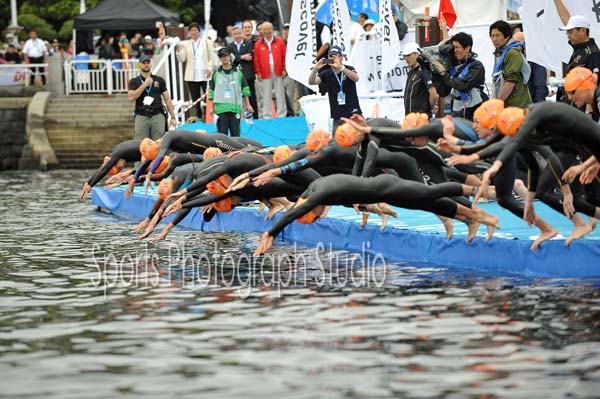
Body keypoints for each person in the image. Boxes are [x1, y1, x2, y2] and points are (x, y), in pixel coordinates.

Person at [253, 173, 501, 255]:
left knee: (429, 193)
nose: (321, 215)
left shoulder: (318, 196)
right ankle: (473, 216)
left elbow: (294, 213)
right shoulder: (314, 191)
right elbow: (299, 206)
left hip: (386, 186)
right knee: (424, 202)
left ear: (313, 208)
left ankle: (485, 192)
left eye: (316, 215)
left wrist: (270, 233)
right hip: (382, 192)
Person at [431, 32, 487, 120]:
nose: (455, 51)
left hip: (476, 110)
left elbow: (462, 85)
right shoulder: (453, 68)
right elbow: (443, 92)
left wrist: (444, 73)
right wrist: (435, 73)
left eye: (457, 47)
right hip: (458, 110)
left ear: (467, 48)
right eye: (453, 48)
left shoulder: (476, 66)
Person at [308, 45, 361, 132]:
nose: (333, 58)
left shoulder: (348, 69)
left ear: (341, 57)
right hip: (337, 116)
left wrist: (341, 67)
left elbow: (356, 78)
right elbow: (311, 82)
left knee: (359, 139)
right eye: (330, 56)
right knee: (337, 142)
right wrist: (315, 69)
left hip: (354, 113)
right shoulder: (327, 73)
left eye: (336, 56)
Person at [128, 55, 177, 140]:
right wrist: (145, 84)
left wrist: (172, 116)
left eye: (148, 62)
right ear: (139, 64)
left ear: (151, 64)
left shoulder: (159, 80)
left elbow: (167, 99)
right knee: (140, 143)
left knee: (159, 142)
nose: (146, 65)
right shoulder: (134, 81)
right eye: (144, 63)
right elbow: (131, 98)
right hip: (141, 115)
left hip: (157, 114)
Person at [209, 47, 253, 137]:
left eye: (226, 55)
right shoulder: (216, 73)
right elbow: (212, 91)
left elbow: (245, 89)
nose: (224, 58)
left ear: (230, 56)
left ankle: (235, 152)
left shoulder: (238, 72)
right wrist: (211, 107)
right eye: (221, 56)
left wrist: (248, 105)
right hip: (221, 109)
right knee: (222, 136)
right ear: (219, 58)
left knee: (235, 135)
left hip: (235, 108)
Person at [176, 22, 215, 121]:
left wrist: (209, 68)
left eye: (195, 30)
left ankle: (208, 117)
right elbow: (182, 59)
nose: (193, 32)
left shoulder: (206, 42)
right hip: (192, 75)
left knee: (208, 97)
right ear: (189, 32)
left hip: (205, 74)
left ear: (199, 31)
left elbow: (212, 57)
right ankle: (197, 117)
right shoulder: (187, 44)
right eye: (192, 30)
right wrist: (178, 51)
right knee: (195, 98)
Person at [489, 20, 531, 108]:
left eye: (497, 35)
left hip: (517, 105)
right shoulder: (500, 52)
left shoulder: (513, 53)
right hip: (507, 105)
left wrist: (498, 103)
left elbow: (511, 81)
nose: (494, 39)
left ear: (507, 36)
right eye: (492, 36)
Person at [253, 21, 287, 119]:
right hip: (265, 71)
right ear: (262, 31)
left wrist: (284, 68)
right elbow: (256, 60)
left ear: (272, 30)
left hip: (278, 69)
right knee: (266, 94)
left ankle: (282, 114)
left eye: (269, 29)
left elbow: (284, 56)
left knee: (280, 93)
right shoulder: (258, 44)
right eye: (265, 29)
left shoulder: (279, 41)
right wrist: (258, 72)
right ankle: (267, 115)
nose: (267, 31)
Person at [228, 25, 258, 120]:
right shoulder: (230, 46)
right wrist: (242, 57)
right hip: (235, 74)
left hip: (248, 74)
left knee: (251, 96)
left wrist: (237, 57)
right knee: (237, 97)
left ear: (242, 33)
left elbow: (249, 57)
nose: (237, 35)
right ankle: (238, 117)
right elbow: (230, 58)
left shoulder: (249, 44)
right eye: (235, 34)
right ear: (232, 35)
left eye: (239, 33)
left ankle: (255, 117)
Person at [402, 42, 439, 117]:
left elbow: (434, 95)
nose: (406, 58)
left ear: (417, 54)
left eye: (409, 55)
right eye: (405, 56)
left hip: (421, 118)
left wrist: (430, 107)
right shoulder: (411, 73)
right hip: (410, 118)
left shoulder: (424, 71)